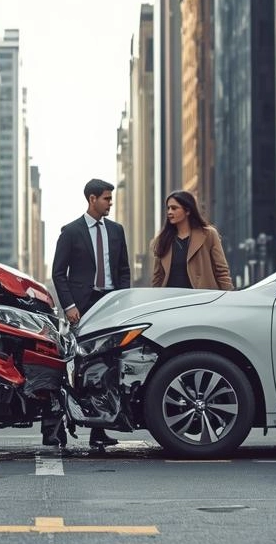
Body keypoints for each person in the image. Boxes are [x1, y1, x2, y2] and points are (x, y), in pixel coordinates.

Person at [49, 178, 132, 449]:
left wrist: (122, 300)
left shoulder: (117, 231)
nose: (111, 203)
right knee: (77, 368)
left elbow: (123, 270)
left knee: (108, 368)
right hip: (82, 308)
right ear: (92, 199)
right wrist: (70, 306)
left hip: (110, 305)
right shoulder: (71, 231)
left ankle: (100, 431)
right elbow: (58, 273)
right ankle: (58, 429)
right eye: (107, 198)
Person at [151, 191, 234, 291]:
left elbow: (221, 271)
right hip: (170, 301)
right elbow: (157, 278)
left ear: (187, 211)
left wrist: (228, 295)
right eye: (168, 208)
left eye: (174, 208)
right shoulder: (163, 239)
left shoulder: (209, 235)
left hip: (201, 300)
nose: (169, 212)